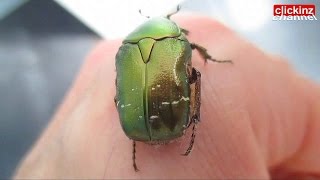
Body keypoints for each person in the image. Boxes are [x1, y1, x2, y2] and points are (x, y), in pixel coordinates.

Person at [14, 15, 320, 179]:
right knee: (197, 74)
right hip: (171, 121)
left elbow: (118, 88)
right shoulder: (177, 42)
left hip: (137, 125)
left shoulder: (125, 51)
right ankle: (193, 122)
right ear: (173, 31)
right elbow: (193, 68)